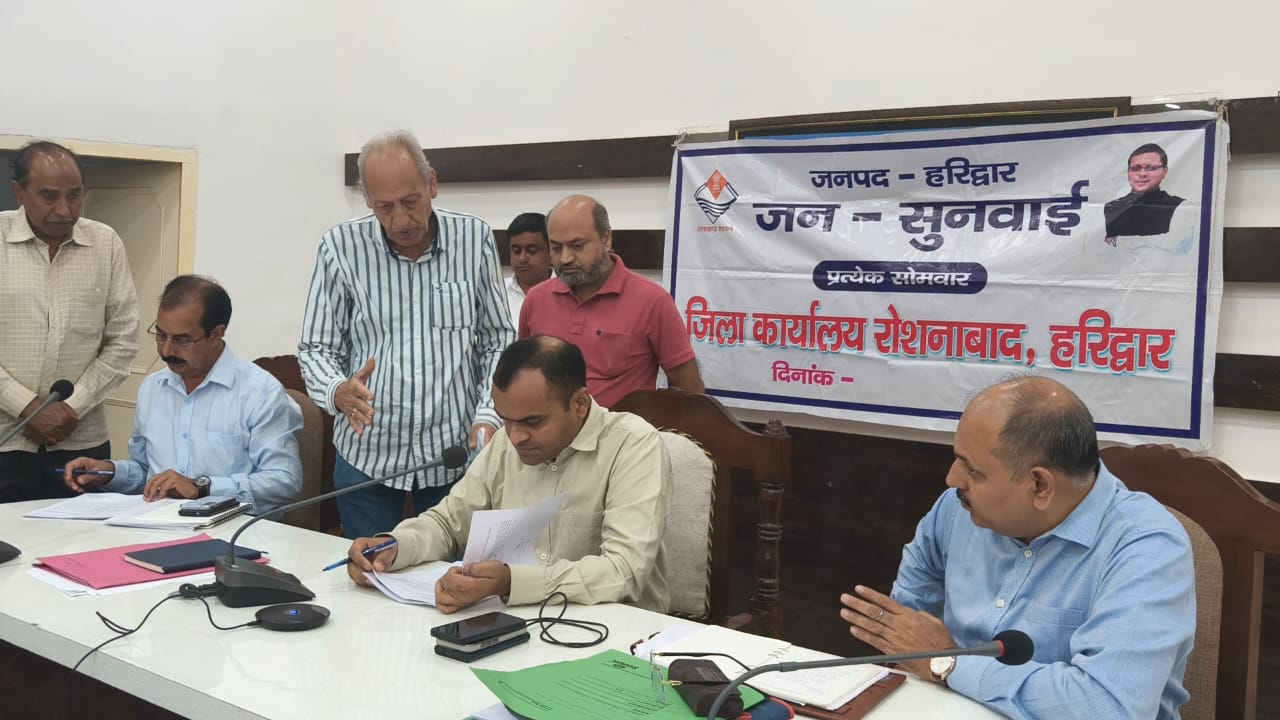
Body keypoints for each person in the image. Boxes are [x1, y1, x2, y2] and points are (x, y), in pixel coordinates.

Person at [840, 376, 1194, 719]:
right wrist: (932, 660)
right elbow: (905, 642)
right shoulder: (955, 511)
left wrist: (949, 662)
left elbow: (1106, 707)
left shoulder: (1146, 547)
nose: (952, 479)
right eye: (957, 457)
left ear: (1039, 485)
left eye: (973, 471)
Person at [345, 336, 671, 614]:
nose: (516, 437)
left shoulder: (633, 446)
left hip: (616, 635)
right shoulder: (505, 443)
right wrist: (394, 546)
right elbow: (448, 523)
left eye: (532, 422)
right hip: (514, 623)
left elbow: (623, 571)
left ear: (580, 404)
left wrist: (512, 582)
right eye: (506, 420)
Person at [299, 129, 514, 539]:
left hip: (454, 454)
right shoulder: (340, 248)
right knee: (370, 570)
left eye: (410, 202)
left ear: (432, 183)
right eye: (384, 207)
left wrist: (488, 414)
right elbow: (316, 347)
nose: (400, 221)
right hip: (368, 457)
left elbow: (497, 340)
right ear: (367, 200)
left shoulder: (474, 239)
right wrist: (336, 390)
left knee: (453, 574)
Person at [62, 276, 302, 514]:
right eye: (160, 335)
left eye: (182, 340)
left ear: (216, 334)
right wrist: (108, 473)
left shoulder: (260, 393)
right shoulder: (153, 388)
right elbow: (147, 471)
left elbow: (284, 481)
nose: (166, 350)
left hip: (231, 527)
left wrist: (202, 487)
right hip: (157, 523)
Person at [0, 140, 139, 503]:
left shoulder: (105, 243)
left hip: (81, 442)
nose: (64, 210)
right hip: (6, 439)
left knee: (79, 537)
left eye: (74, 195)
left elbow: (123, 340)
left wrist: (70, 409)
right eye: (49, 196)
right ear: (19, 192)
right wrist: (28, 408)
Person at [518, 195, 704, 408]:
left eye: (577, 246)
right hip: (548, 428)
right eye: (556, 248)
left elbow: (691, 390)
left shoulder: (652, 301)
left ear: (606, 240)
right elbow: (523, 373)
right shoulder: (536, 299)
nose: (565, 258)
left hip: (622, 429)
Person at [1104, 142, 1185, 245]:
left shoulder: (1178, 206)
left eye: (1151, 168)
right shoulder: (1111, 208)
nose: (1142, 174)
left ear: (1164, 171)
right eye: (1135, 168)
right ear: (1128, 172)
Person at [504, 212, 552, 325]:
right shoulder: (496, 293)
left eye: (532, 251)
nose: (522, 258)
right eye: (516, 251)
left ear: (551, 252)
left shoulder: (568, 292)